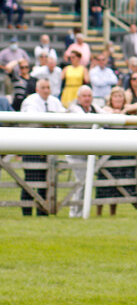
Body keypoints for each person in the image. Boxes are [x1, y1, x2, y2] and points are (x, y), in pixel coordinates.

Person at [19, 79, 64, 216]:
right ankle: (26, 211)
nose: (46, 90)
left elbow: (63, 117)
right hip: (32, 146)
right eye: (43, 87)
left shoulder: (54, 101)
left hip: (49, 147)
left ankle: (43, 211)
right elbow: (33, 121)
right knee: (31, 180)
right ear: (37, 89)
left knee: (47, 179)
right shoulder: (30, 101)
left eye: (48, 87)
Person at [66, 86, 101, 217]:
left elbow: (104, 114)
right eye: (84, 96)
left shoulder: (93, 108)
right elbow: (86, 120)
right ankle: (75, 212)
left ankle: (79, 211)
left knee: (85, 182)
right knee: (81, 181)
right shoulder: (74, 109)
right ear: (79, 98)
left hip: (88, 152)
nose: (87, 99)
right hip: (75, 152)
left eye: (89, 96)